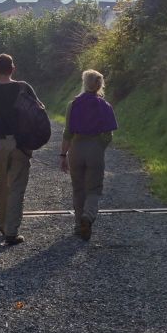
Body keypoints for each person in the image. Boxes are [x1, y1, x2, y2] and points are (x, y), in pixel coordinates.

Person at [0, 53, 42, 246]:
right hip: (20, 144)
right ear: (13, 69)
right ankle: (11, 232)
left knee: (3, 185)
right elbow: (39, 112)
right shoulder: (24, 87)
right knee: (17, 187)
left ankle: (3, 223)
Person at [60, 69, 118, 241]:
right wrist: (100, 146)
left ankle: (79, 226)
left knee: (78, 189)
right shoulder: (105, 106)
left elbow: (67, 132)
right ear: (99, 85)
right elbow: (109, 134)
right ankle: (88, 216)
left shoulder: (73, 104)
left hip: (76, 148)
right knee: (93, 189)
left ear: (85, 83)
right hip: (95, 148)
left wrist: (63, 154)